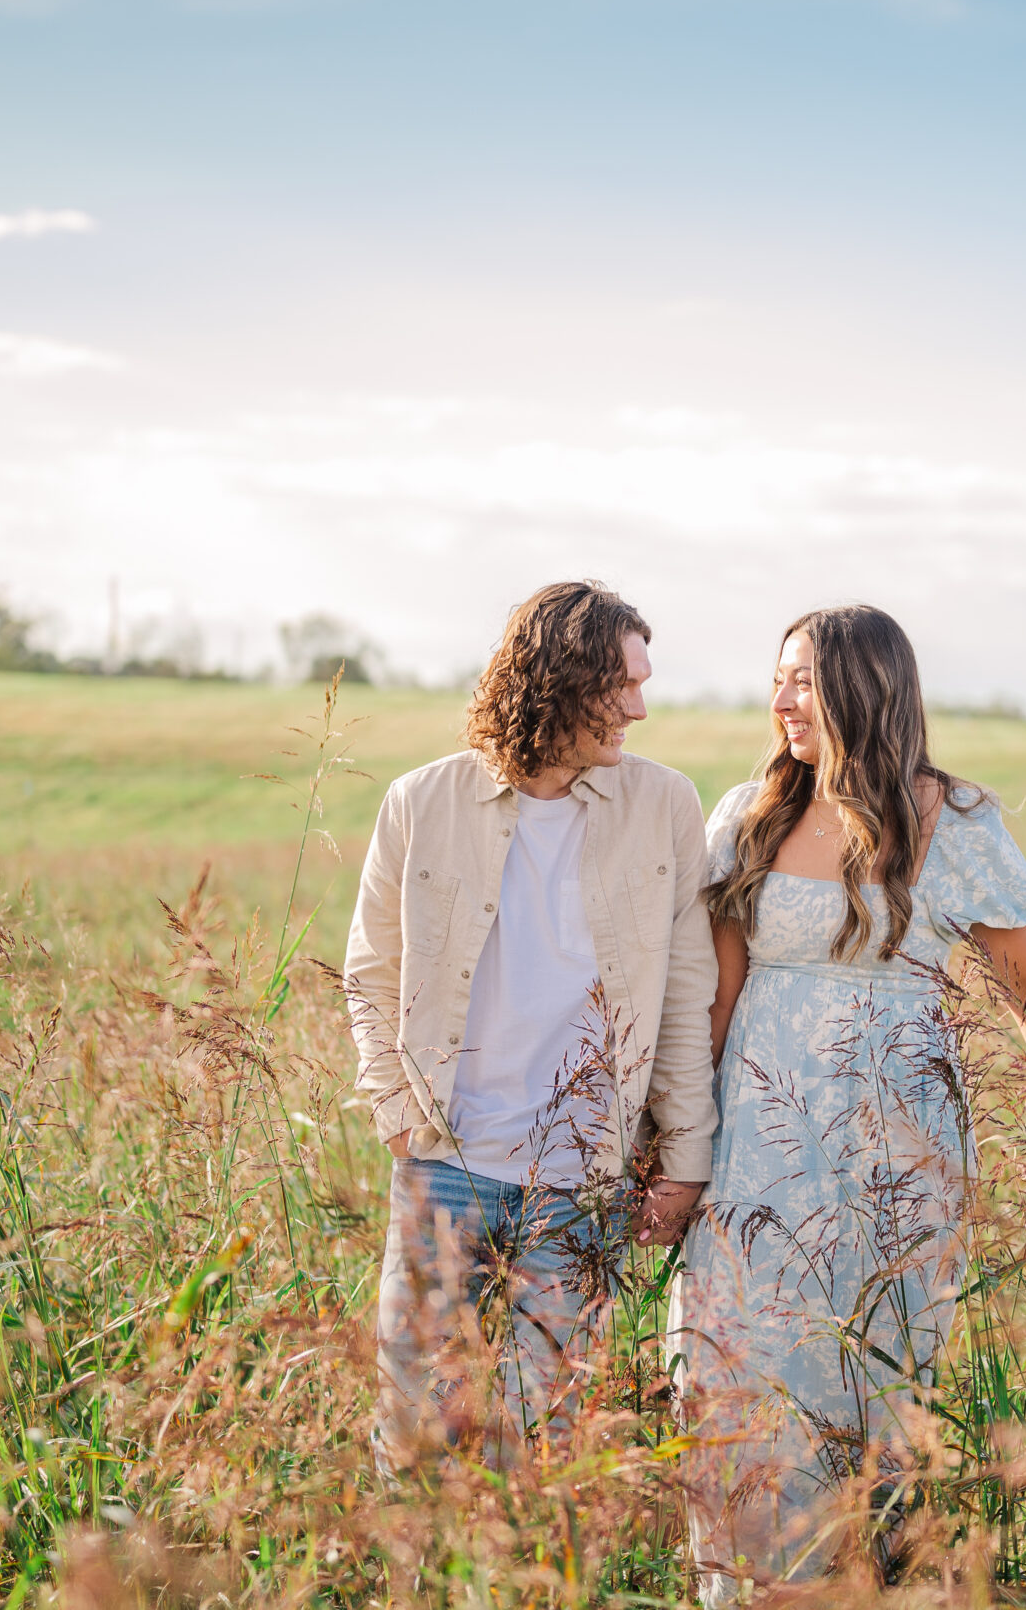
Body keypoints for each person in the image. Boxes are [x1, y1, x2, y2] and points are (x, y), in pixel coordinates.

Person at [671, 605, 1026, 1601]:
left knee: (872, 1386)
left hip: (898, 1154)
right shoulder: (751, 813)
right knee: (743, 1369)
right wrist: (677, 1147)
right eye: (775, 677)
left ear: (863, 688)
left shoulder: (950, 820)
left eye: (801, 679)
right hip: (757, 1149)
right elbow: (718, 997)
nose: (779, 697)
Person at [346, 580, 717, 1459]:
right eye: (621, 686)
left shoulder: (664, 806)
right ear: (560, 679)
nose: (639, 707)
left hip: (581, 1181)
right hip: (444, 1163)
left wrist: (685, 1154)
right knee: (415, 1433)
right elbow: (370, 971)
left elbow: (684, 996)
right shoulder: (420, 801)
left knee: (542, 1438)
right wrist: (398, 1115)